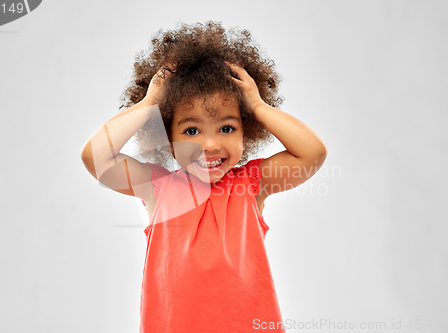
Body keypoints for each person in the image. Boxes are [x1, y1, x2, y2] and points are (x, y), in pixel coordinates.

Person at [81, 21, 327, 333]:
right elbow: (96, 157)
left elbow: (312, 153)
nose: (209, 145)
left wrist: (257, 105)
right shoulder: (157, 187)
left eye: (227, 128)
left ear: (246, 131)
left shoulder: (251, 184)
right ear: (169, 140)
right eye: (191, 130)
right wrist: (148, 105)